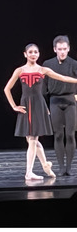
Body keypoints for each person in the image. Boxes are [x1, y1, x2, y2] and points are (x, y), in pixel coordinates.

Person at [4, 43, 77, 180]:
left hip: (38, 106)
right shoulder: (19, 70)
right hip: (26, 106)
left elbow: (63, 78)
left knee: (32, 139)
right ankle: (43, 166)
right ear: (25, 54)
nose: (33, 54)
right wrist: (14, 106)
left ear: (38, 54)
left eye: (36, 52)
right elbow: (7, 89)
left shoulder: (43, 70)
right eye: (30, 52)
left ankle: (31, 171)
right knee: (31, 139)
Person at [42, 35, 77, 176]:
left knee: (70, 134)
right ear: (54, 49)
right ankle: (61, 166)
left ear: (68, 49)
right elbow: (43, 86)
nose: (62, 52)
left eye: (64, 49)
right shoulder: (48, 64)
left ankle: (69, 167)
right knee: (57, 135)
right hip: (55, 100)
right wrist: (44, 105)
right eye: (59, 49)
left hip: (70, 101)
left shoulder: (74, 64)